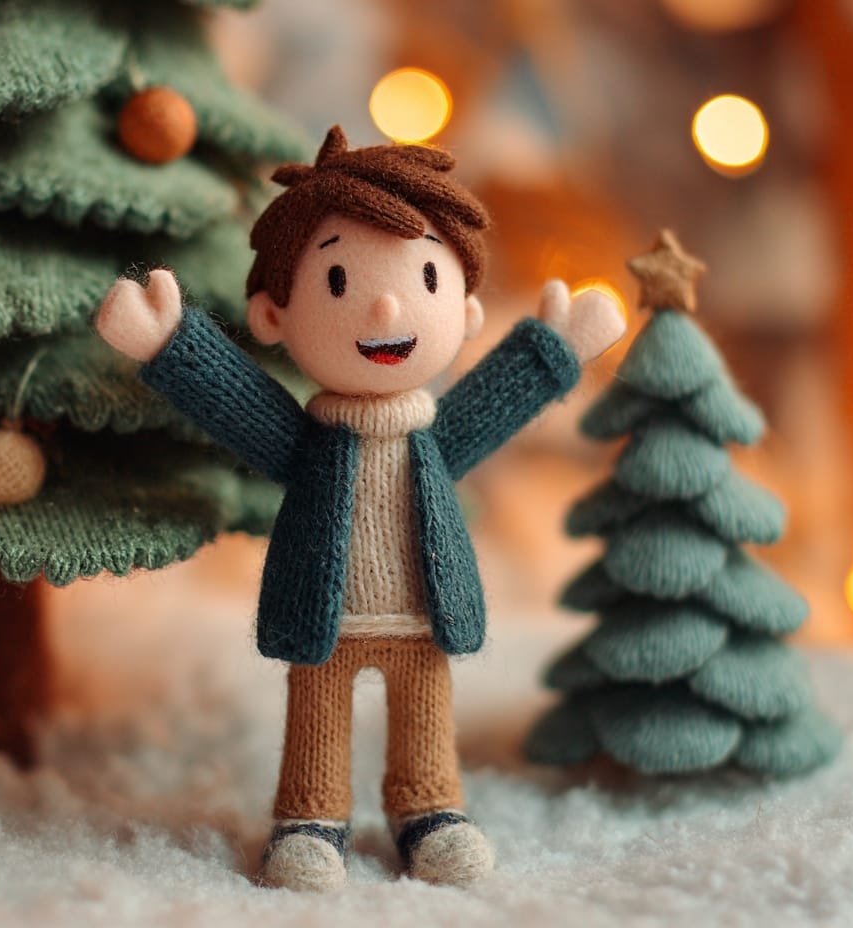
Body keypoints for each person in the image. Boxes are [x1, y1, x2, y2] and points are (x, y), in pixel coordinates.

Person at [96, 126, 625, 891]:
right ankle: (311, 817)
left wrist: (555, 352)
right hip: (326, 615)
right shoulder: (309, 439)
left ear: (468, 310)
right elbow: (239, 401)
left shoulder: (433, 439)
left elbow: (492, 404)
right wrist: (169, 345)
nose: (383, 304)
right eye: (337, 279)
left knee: (425, 720)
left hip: (423, 611)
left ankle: (429, 809)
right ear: (274, 316)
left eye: (426, 281)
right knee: (316, 719)